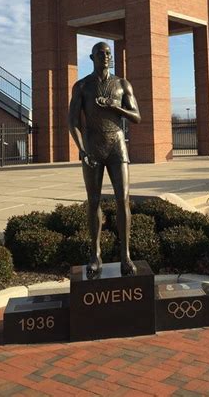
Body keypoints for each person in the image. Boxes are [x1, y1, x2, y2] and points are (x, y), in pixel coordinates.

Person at [69, 41, 141, 279]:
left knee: (123, 199)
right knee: (93, 200)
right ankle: (95, 255)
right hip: (92, 146)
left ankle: (126, 256)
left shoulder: (122, 84)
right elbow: (73, 122)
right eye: (101, 54)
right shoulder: (82, 86)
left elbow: (136, 117)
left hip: (117, 146)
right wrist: (81, 149)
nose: (106, 56)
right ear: (92, 58)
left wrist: (115, 107)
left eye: (108, 53)